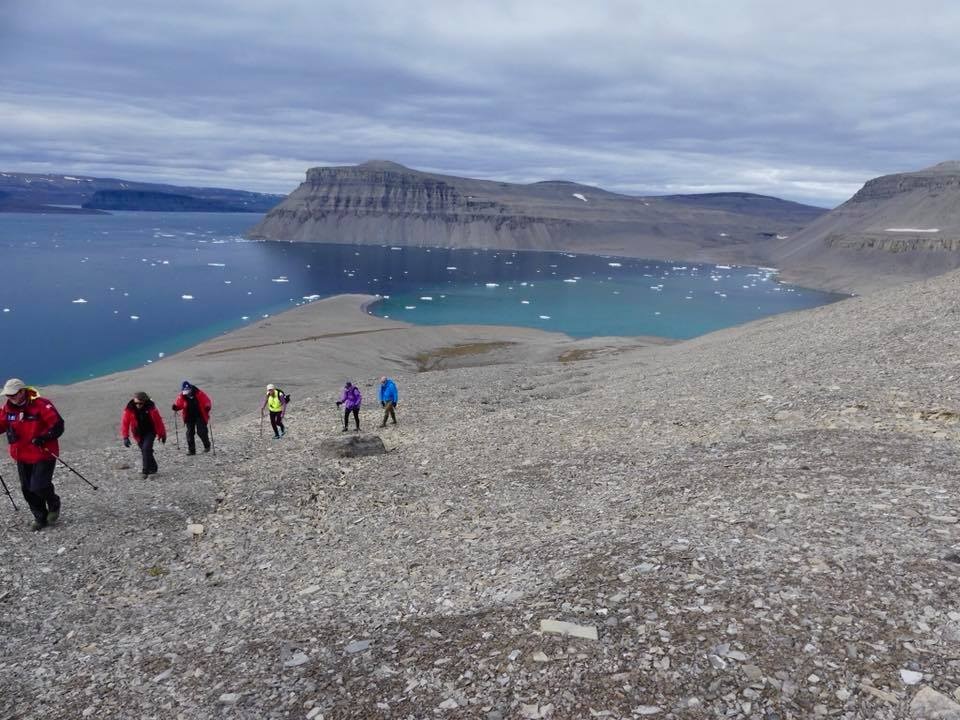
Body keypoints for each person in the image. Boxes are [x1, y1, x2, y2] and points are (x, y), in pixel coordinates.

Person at [0, 378, 65, 531]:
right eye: (7, 395)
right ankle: (40, 517)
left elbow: (57, 425)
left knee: (39, 486)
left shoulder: (41, 404)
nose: (10, 398)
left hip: (43, 453)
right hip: (21, 454)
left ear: (22, 391)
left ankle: (54, 503)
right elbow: (1, 425)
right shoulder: (7, 409)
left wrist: (43, 437)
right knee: (27, 489)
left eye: (13, 394)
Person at [121, 391, 167, 478]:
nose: (138, 405)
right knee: (145, 450)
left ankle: (145, 471)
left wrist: (162, 434)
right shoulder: (130, 408)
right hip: (138, 434)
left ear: (145, 401)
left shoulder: (151, 408)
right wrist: (125, 437)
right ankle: (153, 468)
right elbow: (125, 423)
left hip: (150, 432)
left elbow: (158, 422)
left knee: (146, 449)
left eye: (140, 403)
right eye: (136, 403)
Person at [172, 380, 212, 455]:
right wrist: (176, 407)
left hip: (200, 415)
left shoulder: (199, 393)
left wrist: (207, 406)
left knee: (201, 432)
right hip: (189, 417)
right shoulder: (182, 396)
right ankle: (192, 451)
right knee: (190, 433)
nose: (187, 394)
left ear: (190, 389)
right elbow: (179, 404)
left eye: (188, 391)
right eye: (185, 392)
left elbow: (207, 401)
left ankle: (207, 446)